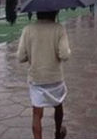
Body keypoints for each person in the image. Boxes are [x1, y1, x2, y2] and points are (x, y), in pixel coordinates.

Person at [17, 11, 71, 139]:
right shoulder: (59, 29)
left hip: (36, 78)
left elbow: (20, 57)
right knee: (58, 105)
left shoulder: (28, 30)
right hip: (55, 77)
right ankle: (58, 132)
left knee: (36, 112)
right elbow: (64, 55)